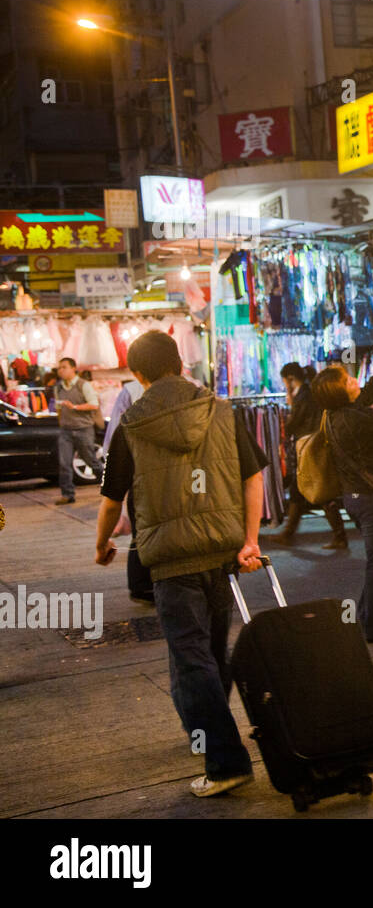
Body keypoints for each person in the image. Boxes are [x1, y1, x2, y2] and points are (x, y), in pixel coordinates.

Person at [93, 330, 266, 797]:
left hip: (171, 560)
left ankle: (225, 760)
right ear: (179, 363)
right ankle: (205, 730)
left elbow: (112, 498)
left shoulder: (130, 425)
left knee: (192, 659)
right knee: (208, 653)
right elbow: (254, 477)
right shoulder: (221, 410)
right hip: (221, 551)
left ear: (137, 374)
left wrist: (102, 543)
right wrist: (249, 540)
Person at [311, 363, 373, 643]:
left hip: (356, 497)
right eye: (348, 380)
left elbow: (368, 392)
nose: (355, 380)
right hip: (369, 500)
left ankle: (367, 616)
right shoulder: (354, 419)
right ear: (341, 392)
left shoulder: (338, 414)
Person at [279, 361, 348, 550]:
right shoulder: (309, 392)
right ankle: (288, 533)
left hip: (310, 446)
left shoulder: (304, 395)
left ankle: (339, 535)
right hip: (311, 445)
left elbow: (295, 423)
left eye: (285, 381)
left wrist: (289, 409)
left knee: (319, 489)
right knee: (299, 488)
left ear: (291, 379)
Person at [104, 376, 151, 601]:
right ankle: (142, 584)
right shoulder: (198, 393)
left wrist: (101, 543)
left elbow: (111, 499)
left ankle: (141, 585)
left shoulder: (130, 392)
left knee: (141, 532)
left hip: (140, 476)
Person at [52, 357, 104, 505]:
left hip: (83, 429)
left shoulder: (83, 385)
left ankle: (108, 487)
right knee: (64, 463)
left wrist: (74, 407)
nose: (61, 370)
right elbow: (59, 409)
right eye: (59, 368)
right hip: (66, 431)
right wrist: (62, 422)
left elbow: (94, 405)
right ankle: (67, 494)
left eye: (64, 367)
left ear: (73, 368)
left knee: (91, 460)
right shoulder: (58, 388)